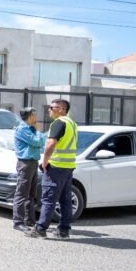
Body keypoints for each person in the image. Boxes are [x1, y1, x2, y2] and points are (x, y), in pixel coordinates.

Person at [26, 99, 78, 240]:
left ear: (61, 109)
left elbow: (50, 144)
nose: (49, 110)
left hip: (56, 167)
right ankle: (64, 231)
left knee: (49, 199)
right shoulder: (72, 123)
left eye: (51, 107)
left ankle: (41, 229)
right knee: (65, 200)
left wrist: (44, 162)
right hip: (68, 167)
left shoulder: (59, 123)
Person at [11, 107, 46, 232]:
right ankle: (18, 221)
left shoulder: (30, 129)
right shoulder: (23, 129)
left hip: (33, 162)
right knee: (22, 193)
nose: (36, 118)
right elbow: (37, 142)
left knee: (31, 194)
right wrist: (39, 133)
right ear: (30, 116)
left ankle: (30, 220)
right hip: (25, 163)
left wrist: (39, 135)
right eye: (35, 115)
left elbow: (42, 141)